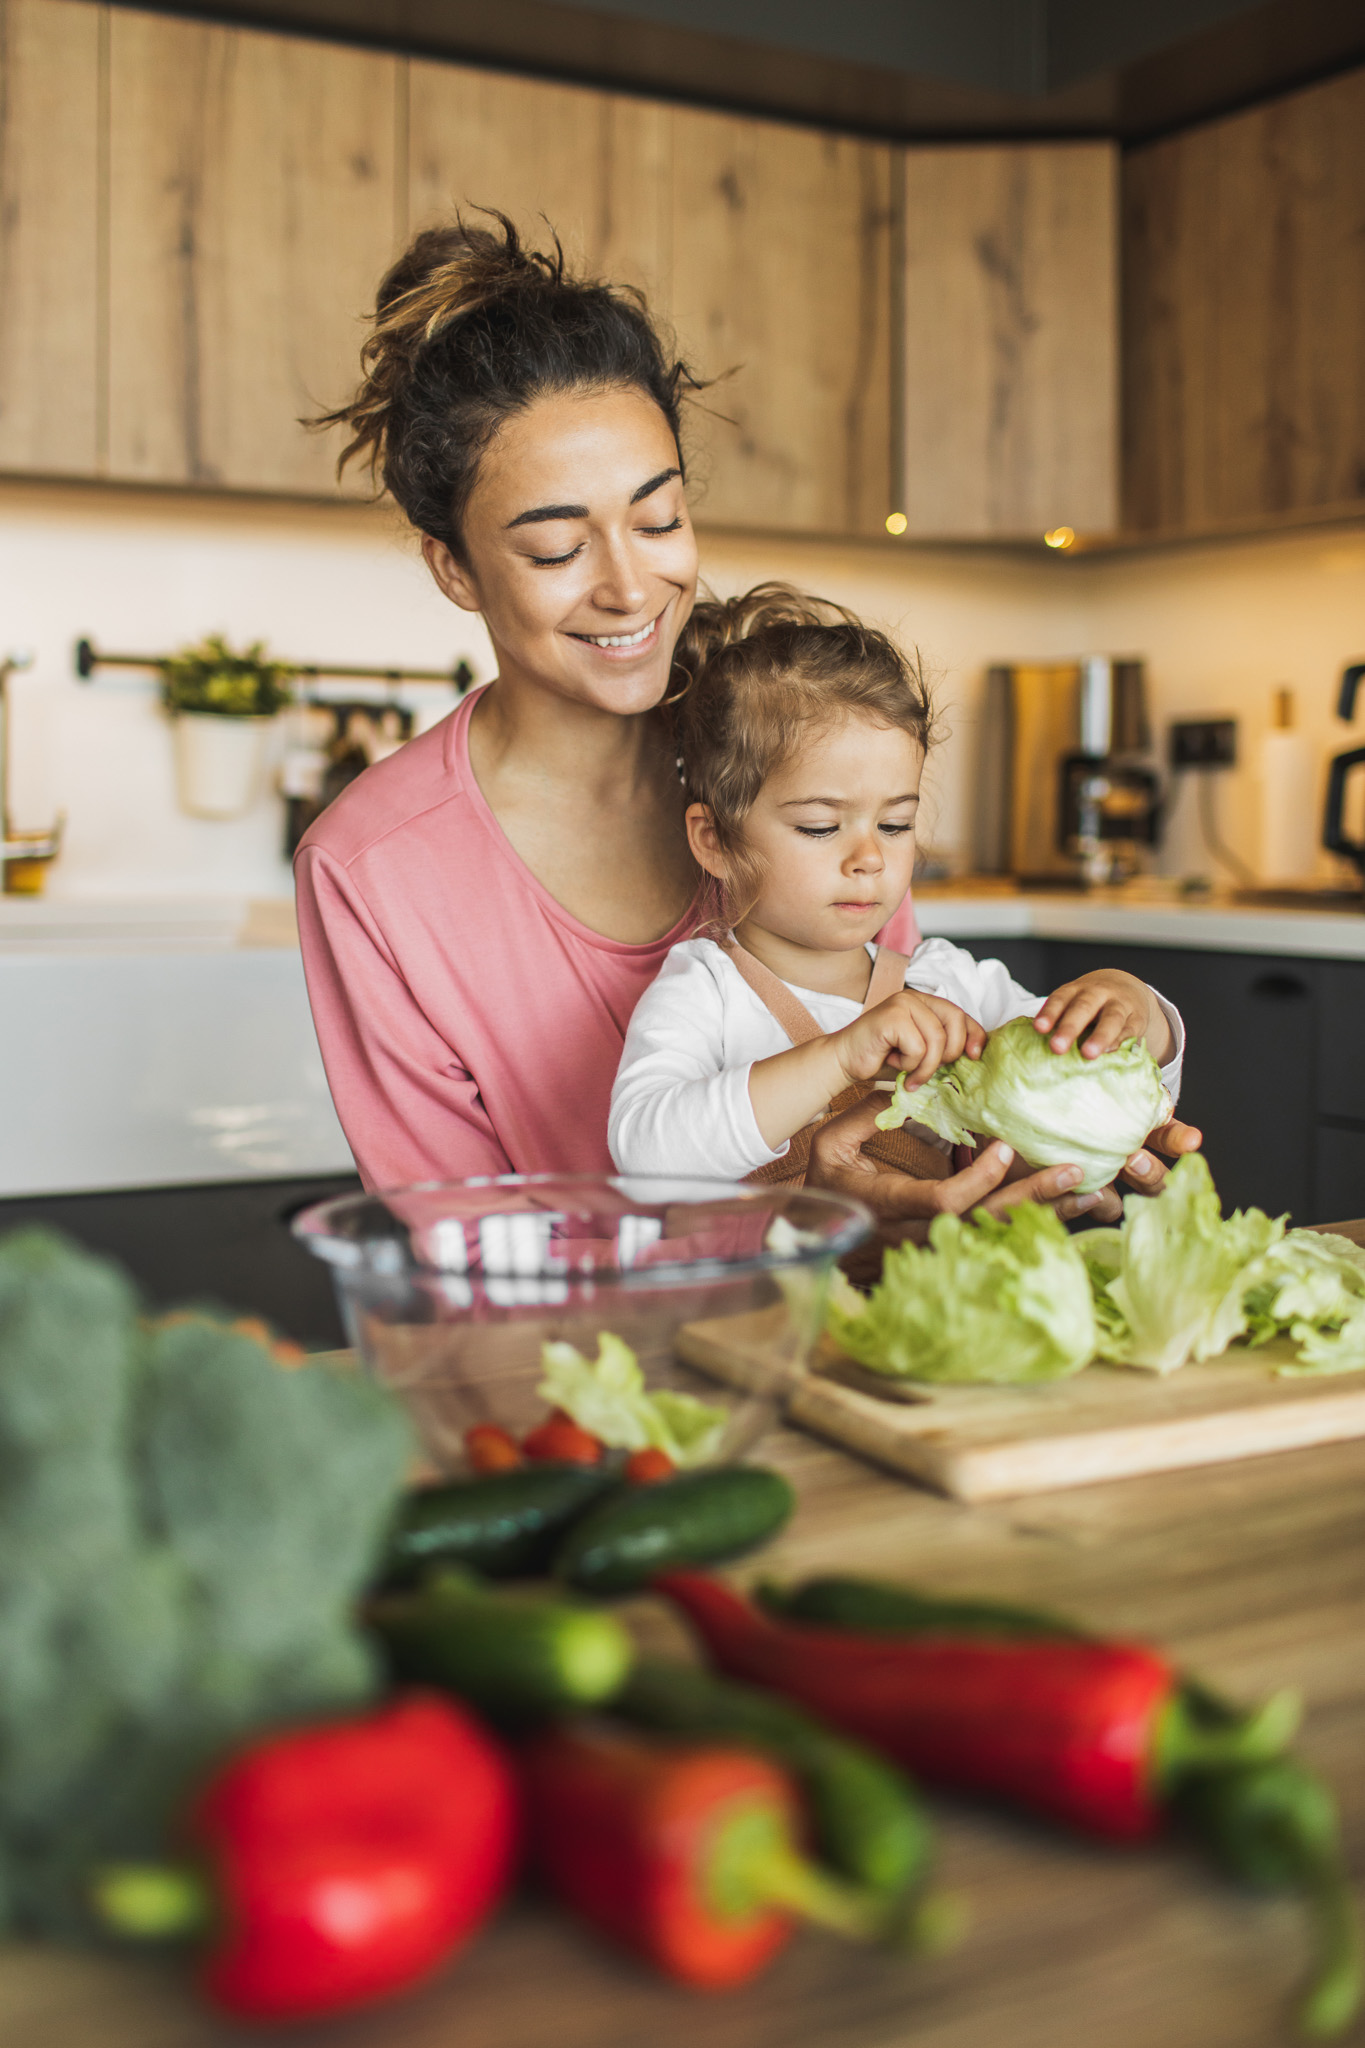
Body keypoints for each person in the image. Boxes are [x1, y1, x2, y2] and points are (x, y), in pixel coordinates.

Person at [295, 212, 1191, 1227]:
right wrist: (797, 1210)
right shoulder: (373, 869)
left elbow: (910, 1080)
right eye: (556, 549)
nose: (632, 588)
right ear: (453, 565)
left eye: (659, 518)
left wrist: (1053, 1128)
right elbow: (460, 1259)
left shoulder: (796, 754)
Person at [610, 586, 1194, 1202]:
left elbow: (1090, 1060)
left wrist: (1137, 1011)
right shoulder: (704, 991)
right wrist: (841, 1057)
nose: (868, 858)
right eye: (820, 827)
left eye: (894, 825)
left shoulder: (945, 983)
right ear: (715, 841)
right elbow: (644, 1157)